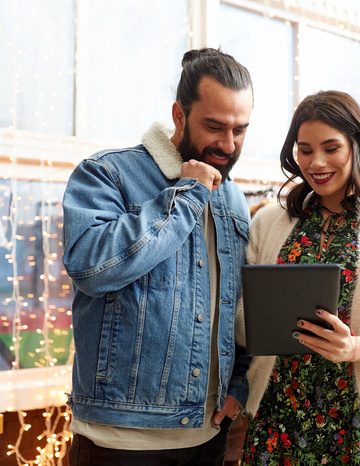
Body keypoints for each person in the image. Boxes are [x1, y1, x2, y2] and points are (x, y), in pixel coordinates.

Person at [62, 48, 254, 465]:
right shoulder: (106, 173)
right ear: (179, 116)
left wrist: (239, 385)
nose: (227, 144)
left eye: (240, 129)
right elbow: (90, 268)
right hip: (119, 443)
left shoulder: (235, 198)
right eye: (215, 127)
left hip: (208, 438)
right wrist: (188, 196)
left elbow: (239, 306)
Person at [236, 90, 360, 465]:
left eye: (331, 148)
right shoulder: (267, 222)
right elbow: (240, 309)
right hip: (279, 417)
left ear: (357, 145)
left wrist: (354, 348)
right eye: (305, 149)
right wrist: (259, 323)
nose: (317, 162)